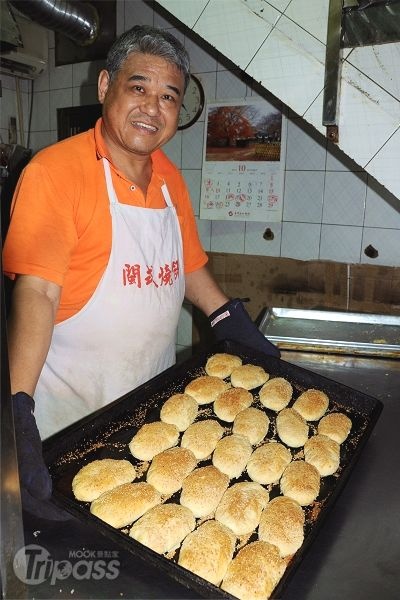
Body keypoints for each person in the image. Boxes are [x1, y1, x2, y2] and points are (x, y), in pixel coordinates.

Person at [3, 25, 279, 518]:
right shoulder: (54, 172)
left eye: (168, 96)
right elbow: (38, 291)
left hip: (151, 410)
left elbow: (187, 265)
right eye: (138, 88)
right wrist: (16, 406)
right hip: (70, 419)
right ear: (105, 86)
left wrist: (227, 318)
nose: (152, 108)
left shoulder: (171, 180)